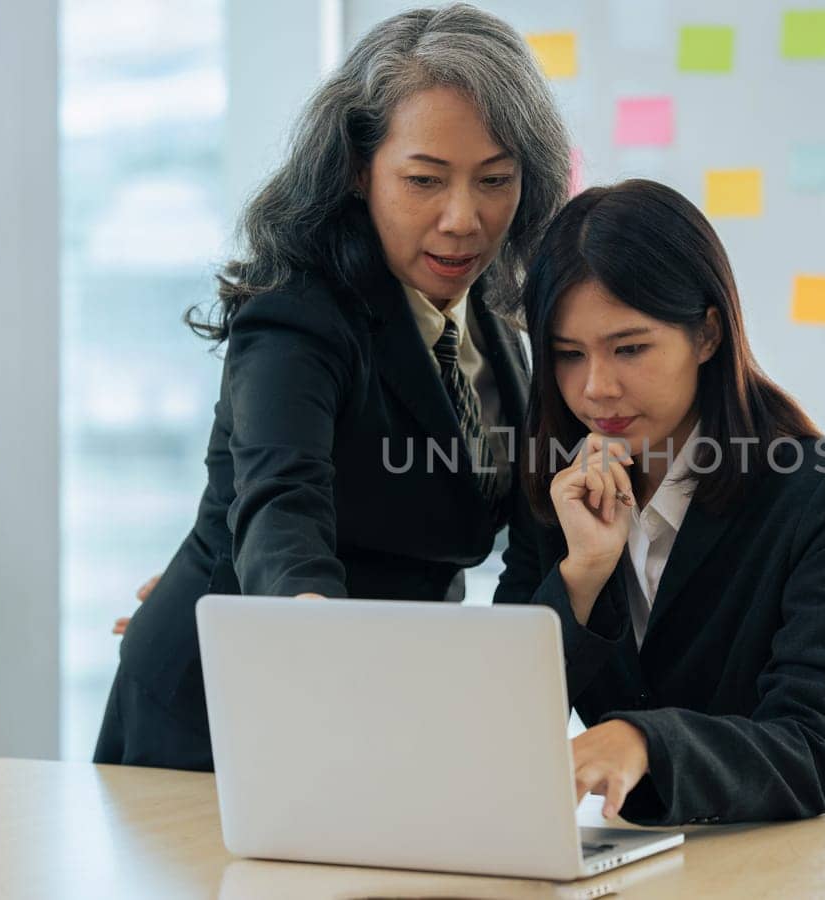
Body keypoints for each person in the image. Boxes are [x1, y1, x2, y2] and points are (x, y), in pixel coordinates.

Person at [95, 3, 571, 770]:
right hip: (222, 710)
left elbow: (532, 548)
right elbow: (284, 512)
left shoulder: (501, 328)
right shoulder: (298, 317)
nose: (463, 219)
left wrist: (496, 699)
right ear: (358, 169)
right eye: (423, 180)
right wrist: (318, 639)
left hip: (389, 705)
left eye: (495, 181)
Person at [494, 180, 825, 825]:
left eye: (630, 349)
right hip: (624, 856)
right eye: (567, 355)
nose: (596, 388)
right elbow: (500, 725)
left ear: (706, 335)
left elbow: (814, 752)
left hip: (785, 860)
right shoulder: (553, 486)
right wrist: (582, 575)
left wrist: (643, 739)